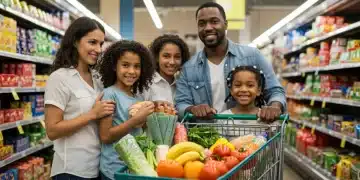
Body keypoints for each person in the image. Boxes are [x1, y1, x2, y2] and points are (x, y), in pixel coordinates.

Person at [175, 2, 286, 122]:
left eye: (214, 21)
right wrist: (192, 109)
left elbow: (275, 90)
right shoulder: (189, 68)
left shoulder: (252, 56)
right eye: (202, 23)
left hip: (249, 136)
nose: (208, 27)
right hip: (205, 137)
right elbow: (181, 104)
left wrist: (274, 107)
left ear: (225, 24)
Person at [44, 17, 115, 180]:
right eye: (92, 42)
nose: (98, 49)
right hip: (71, 170)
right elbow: (52, 130)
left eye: (101, 44)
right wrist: (91, 115)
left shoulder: (98, 78)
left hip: (98, 167)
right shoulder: (59, 78)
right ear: (75, 41)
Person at [97, 40, 155, 180]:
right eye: (125, 65)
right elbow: (105, 136)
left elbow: (137, 129)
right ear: (114, 67)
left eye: (137, 66)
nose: (131, 71)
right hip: (114, 170)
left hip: (133, 167)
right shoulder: (110, 94)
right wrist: (135, 120)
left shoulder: (138, 96)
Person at [141, 34, 190, 104]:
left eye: (177, 57)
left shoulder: (183, 85)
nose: (172, 62)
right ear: (156, 57)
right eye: (166, 56)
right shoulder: (146, 84)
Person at [220, 65, 268, 136]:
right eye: (238, 85)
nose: (243, 89)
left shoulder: (265, 116)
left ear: (258, 90)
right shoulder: (223, 118)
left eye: (250, 85)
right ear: (231, 90)